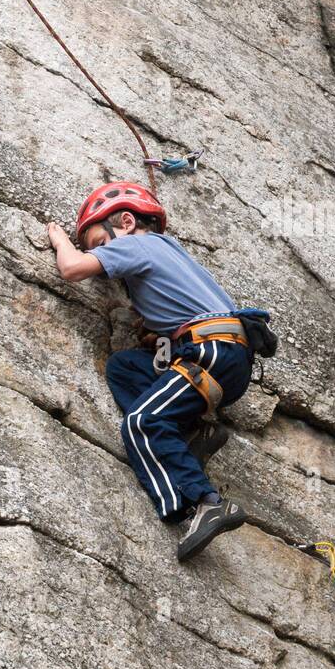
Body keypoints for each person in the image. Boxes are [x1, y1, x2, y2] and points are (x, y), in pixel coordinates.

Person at [47, 182, 251, 561]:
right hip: (227, 355)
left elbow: (73, 268)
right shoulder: (170, 251)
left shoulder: (135, 244)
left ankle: (206, 502)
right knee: (125, 367)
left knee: (141, 421)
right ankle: (193, 429)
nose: (98, 254)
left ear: (125, 222)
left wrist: (61, 241)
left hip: (207, 350)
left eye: (98, 242)